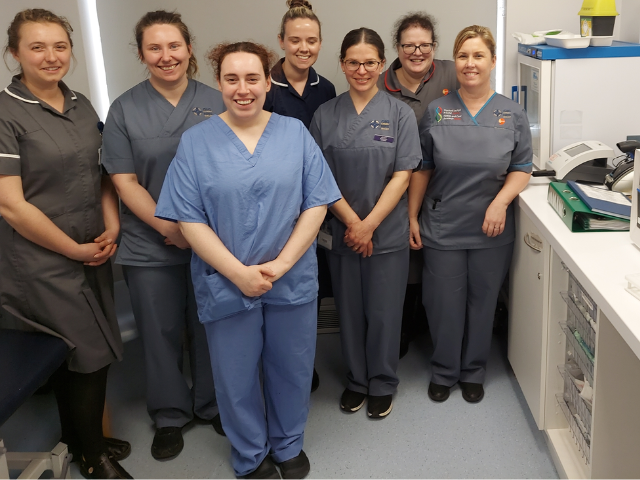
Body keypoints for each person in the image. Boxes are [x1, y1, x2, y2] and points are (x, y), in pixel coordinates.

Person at [155, 41, 340, 479]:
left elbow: (317, 203)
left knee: (292, 368)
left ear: (267, 81)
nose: (243, 89)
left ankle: (288, 444)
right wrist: (238, 273)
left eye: (252, 78)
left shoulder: (294, 133)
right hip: (225, 280)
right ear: (218, 83)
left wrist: (282, 263)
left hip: (289, 277)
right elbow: (188, 217)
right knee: (235, 377)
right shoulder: (196, 143)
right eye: (232, 79)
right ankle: (250, 455)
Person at [0, 9, 131, 479]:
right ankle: (92, 456)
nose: (51, 56)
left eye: (60, 46)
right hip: (38, 259)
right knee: (87, 351)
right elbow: (12, 205)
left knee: (75, 352)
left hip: (92, 245)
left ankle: (78, 435)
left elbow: (102, 174)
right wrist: (73, 250)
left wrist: (111, 224)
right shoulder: (5, 113)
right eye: (37, 47)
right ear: (14, 53)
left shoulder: (80, 104)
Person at [101, 10, 225, 461]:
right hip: (150, 243)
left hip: (213, 242)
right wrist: (170, 228)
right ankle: (170, 414)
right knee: (161, 332)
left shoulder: (218, 99)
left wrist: (199, 236)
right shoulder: (124, 109)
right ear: (141, 54)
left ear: (189, 48)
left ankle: (212, 404)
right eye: (154, 47)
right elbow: (124, 180)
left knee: (211, 325)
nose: (166, 56)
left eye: (174, 45)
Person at [408, 25, 532, 404]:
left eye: (478, 56)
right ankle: (444, 370)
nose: (470, 63)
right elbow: (423, 168)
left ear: (493, 62)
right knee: (443, 301)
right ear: (454, 62)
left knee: (483, 301)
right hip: (443, 225)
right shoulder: (437, 111)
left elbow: (522, 167)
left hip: (491, 228)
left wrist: (500, 202)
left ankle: (474, 369)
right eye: (463, 56)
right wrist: (412, 217)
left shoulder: (512, 114)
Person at [310, 28, 422, 419]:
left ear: (381, 64)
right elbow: (318, 176)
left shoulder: (400, 113)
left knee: (385, 311)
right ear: (342, 64)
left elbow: (403, 174)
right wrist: (352, 224)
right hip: (342, 231)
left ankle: (383, 382)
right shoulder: (325, 114)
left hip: (384, 232)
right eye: (353, 63)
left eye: (370, 62)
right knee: (350, 310)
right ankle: (357, 380)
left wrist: (369, 224)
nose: (362, 70)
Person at [265, 0, 336, 392]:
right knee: (274, 287)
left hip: (316, 204)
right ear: (281, 41)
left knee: (307, 292)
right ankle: (274, 370)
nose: (303, 48)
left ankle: (300, 367)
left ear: (320, 44)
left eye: (311, 40)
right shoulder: (265, 88)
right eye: (295, 40)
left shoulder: (324, 89)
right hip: (277, 204)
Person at [378, 12, 458, 359]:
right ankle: (403, 327)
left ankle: (432, 326)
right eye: (409, 45)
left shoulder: (452, 73)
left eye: (424, 45)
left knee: (440, 261)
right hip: (398, 185)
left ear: (434, 46)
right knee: (407, 261)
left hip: (446, 187)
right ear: (397, 48)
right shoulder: (381, 84)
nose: (417, 51)